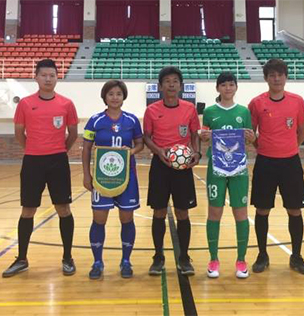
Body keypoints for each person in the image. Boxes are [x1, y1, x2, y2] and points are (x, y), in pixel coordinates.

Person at [2, 59, 78, 278]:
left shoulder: (66, 104)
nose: (48, 79)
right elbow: (19, 134)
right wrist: (34, 149)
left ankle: (67, 258)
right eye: (43, 75)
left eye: (52, 75)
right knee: (28, 210)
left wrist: (58, 150)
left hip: (58, 162)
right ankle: (22, 258)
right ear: (36, 77)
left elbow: (72, 134)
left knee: (63, 209)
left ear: (57, 77)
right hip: (32, 162)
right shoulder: (25, 103)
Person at [249, 59, 304, 275]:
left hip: (290, 163)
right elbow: (250, 133)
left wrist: (291, 147)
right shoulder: (257, 103)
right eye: (272, 75)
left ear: (286, 77)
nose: (277, 78)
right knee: (262, 210)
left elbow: (303, 130)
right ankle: (262, 255)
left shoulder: (297, 101)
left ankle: (296, 256)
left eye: (280, 74)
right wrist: (263, 146)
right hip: (265, 162)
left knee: (294, 210)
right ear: (266, 78)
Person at [82, 80, 143, 279]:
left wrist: (131, 151)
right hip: (102, 178)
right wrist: (86, 175)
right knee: (99, 219)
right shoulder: (95, 120)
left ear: (123, 96)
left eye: (118, 93)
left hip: (127, 177)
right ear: (105, 97)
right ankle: (97, 262)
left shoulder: (132, 120)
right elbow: (86, 149)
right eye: (111, 94)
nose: (115, 97)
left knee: (127, 218)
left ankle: (126, 261)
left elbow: (140, 144)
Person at [143, 66, 201, 276]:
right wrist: (159, 152)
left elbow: (195, 134)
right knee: (158, 212)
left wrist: (196, 152)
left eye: (175, 81)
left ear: (181, 85)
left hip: (183, 167)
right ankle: (158, 257)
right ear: (160, 86)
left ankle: (184, 257)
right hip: (160, 165)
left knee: (182, 212)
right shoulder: (151, 110)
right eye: (167, 81)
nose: (171, 84)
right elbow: (147, 137)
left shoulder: (189, 109)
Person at [200, 72, 256, 279]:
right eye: (223, 85)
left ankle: (241, 260)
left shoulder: (244, 111)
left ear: (236, 87)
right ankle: (213, 259)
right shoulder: (210, 112)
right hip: (216, 167)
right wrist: (204, 136)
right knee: (214, 213)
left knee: (240, 214)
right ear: (218, 88)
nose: (227, 88)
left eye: (231, 84)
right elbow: (204, 135)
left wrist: (251, 137)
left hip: (239, 169)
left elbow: (250, 138)